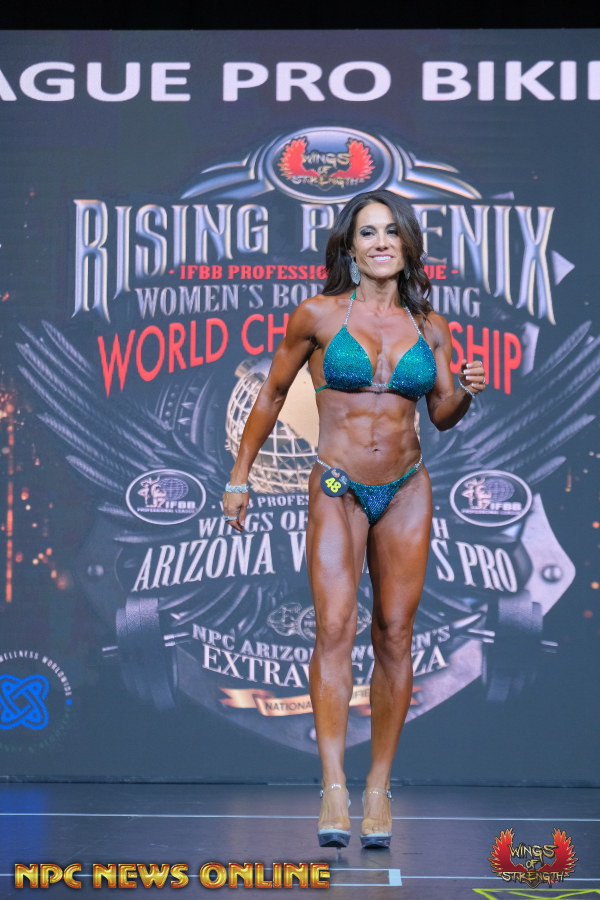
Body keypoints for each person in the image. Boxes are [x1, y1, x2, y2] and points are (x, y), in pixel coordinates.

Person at [222, 189, 486, 849]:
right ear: (349, 246)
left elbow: (442, 414)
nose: (380, 243)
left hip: (406, 489)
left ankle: (378, 788)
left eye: (391, 231)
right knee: (335, 628)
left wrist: (464, 392)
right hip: (337, 485)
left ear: (407, 244)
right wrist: (239, 477)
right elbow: (272, 393)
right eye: (367, 232)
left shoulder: (430, 325)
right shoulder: (316, 314)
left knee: (395, 635)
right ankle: (335, 785)